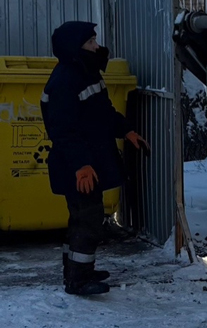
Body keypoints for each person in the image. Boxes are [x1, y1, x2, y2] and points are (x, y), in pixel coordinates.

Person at [40, 21, 148, 296]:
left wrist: (126, 131)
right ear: (76, 48)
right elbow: (63, 131)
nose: (97, 46)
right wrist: (81, 166)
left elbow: (104, 112)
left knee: (81, 218)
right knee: (88, 219)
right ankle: (78, 279)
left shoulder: (87, 73)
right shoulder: (65, 80)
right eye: (90, 43)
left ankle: (77, 270)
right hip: (77, 166)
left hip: (87, 162)